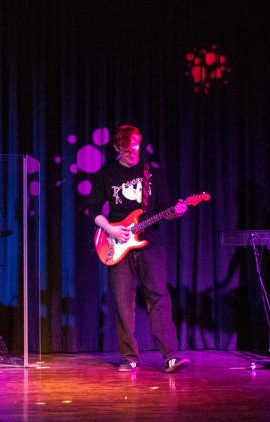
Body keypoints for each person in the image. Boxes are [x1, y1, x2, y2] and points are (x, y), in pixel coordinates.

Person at [89, 125, 190, 373]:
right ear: (116, 148)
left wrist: (176, 211)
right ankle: (129, 358)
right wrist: (111, 230)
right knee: (123, 302)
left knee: (159, 296)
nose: (132, 154)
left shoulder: (152, 173)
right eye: (126, 150)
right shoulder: (106, 174)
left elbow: (165, 209)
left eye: (135, 148)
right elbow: (92, 210)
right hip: (116, 243)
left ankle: (171, 356)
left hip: (150, 243)